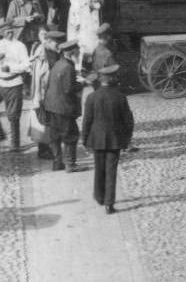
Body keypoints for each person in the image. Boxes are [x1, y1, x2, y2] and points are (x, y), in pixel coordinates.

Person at [81, 63, 134, 215]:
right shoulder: (120, 97)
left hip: (96, 139)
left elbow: (87, 121)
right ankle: (109, 204)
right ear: (114, 79)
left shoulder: (92, 97)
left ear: (101, 80)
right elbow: (128, 120)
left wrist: (84, 139)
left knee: (99, 168)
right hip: (115, 140)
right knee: (111, 171)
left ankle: (99, 196)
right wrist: (127, 139)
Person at [0, 19, 30, 152]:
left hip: (14, 83)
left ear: (14, 31)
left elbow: (26, 65)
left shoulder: (20, 45)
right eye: (7, 32)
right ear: (2, 33)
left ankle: (15, 145)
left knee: (13, 115)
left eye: (11, 32)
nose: (10, 34)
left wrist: (10, 68)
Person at [41, 38, 82, 171]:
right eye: (77, 50)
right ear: (71, 52)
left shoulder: (58, 63)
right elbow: (68, 89)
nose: (79, 51)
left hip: (51, 106)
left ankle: (57, 163)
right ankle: (71, 165)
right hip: (63, 108)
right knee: (71, 135)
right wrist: (82, 84)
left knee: (55, 136)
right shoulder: (68, 67)